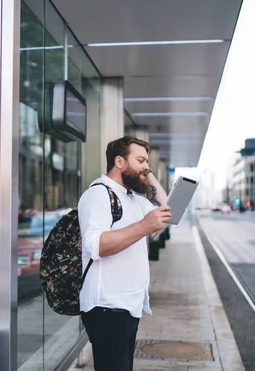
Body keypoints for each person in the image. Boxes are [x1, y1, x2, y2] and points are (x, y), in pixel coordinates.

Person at [78, 136, 171, 371]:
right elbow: (96, 245)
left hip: (127, 305)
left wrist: (145, 171)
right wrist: (144, 226)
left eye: (147, 162)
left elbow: (167, 210)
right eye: (140, 160)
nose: (146, 166)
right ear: (119, 162)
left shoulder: (131, 198)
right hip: (107, 307)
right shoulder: (98, 194)